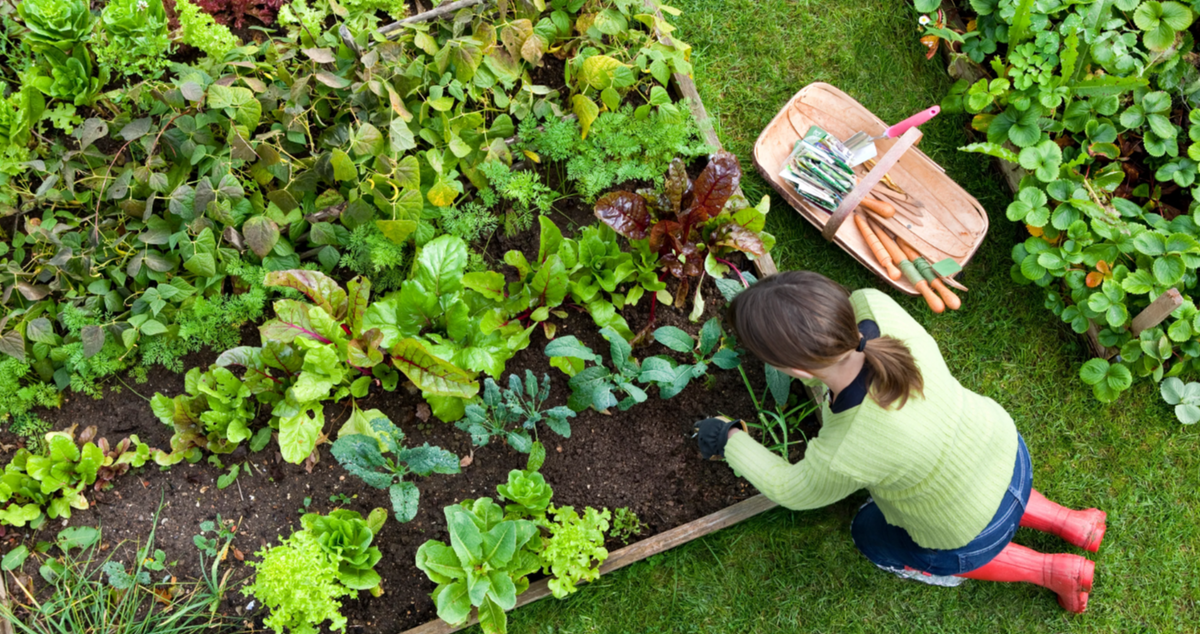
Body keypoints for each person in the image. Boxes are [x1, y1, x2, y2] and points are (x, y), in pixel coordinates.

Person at [693, 271, 1106, 612]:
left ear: (797, 371)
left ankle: (1053, 571)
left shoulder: (847, 447)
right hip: (1005, 450)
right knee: (980, 485)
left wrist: (728, 438)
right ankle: (1073, 523)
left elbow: (792, 489)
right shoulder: (874, 305)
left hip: (966, 530)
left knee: (869, 534)